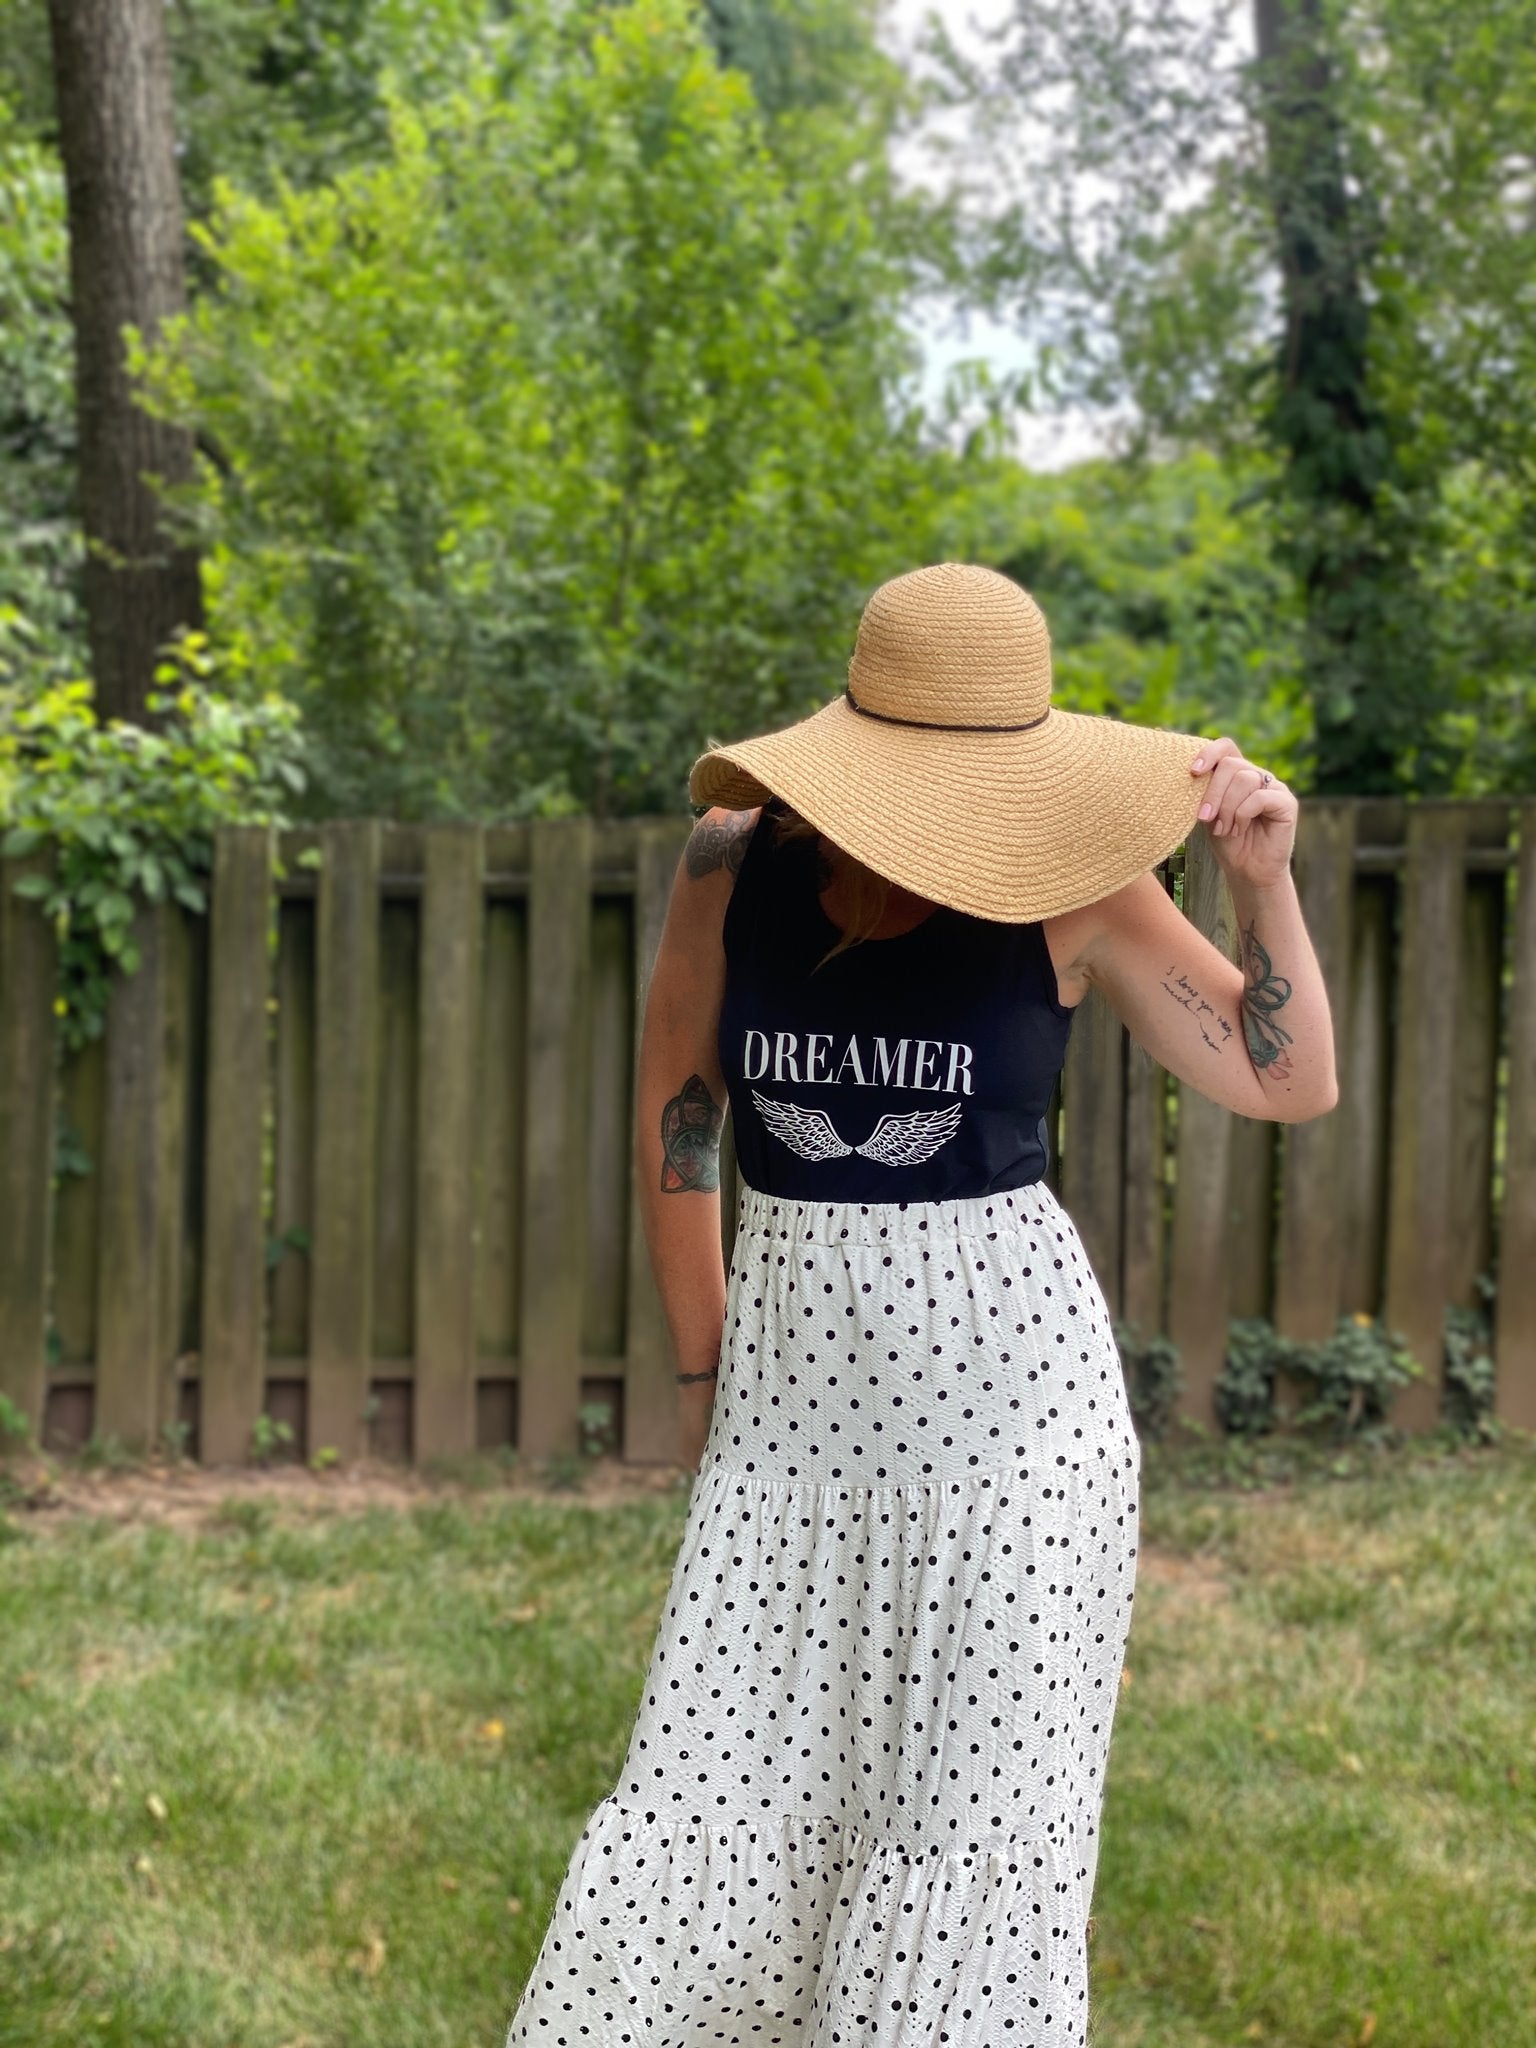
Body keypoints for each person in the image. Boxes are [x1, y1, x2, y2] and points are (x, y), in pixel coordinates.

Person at [503, 562, 1338, 2048]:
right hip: (788, 1433)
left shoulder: (1078, 886)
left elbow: (1287, 1079)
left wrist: (1263, 878)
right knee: (712, 1803)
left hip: (1018, 1449)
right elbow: (679, 1098)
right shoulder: (730, 856)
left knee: (966, 1849)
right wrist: (710, 1381)